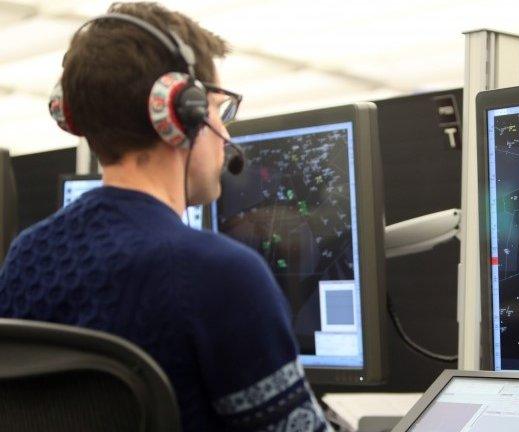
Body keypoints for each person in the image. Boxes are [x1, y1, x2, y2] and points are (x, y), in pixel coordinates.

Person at [0, 2, 330, 431]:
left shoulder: (27, 257)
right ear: (180, 112)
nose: (225, 134)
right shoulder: (220, 274)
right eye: (217, 110)